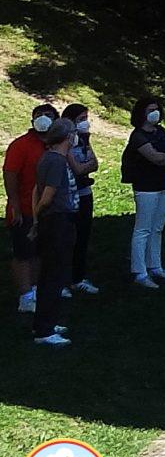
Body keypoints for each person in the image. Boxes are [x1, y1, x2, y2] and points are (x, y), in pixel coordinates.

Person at [123, 96, 165, 288]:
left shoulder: (161, 131)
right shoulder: (138, 136)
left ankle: (155, 266)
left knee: (157, 228)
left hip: (164, 184)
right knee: (143, 229)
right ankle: (140, 271)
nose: (154, 113)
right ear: (142, 114)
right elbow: (155, 157)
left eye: (156, 109)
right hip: (146, 187)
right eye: (150, 110)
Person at [29, 116, 76, 345]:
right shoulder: (57, 161)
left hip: (49, 221)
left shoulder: (46, 157)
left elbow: (36, 191)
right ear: (68, 137)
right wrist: (38, 216)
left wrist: (37, 218)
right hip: (57, 221)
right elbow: (47, 195)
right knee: (53, 276)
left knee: (49, 275)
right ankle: (45, 331)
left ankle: (44, 322)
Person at [5, 102, 55, 316]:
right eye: (39, 115)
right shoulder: (21, 145)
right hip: (24, 209)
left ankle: (35, 289)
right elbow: (10, 176)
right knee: (23, 253)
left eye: (48, 115)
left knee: (40, 252)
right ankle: (25, 296)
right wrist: (15, 205)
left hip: (48, 210)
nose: (43, 118)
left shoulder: (56, 144)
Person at [58, 103, 99, 297]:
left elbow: (94, 164)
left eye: (86, 118)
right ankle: (61, 281)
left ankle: (78, 278)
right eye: (81, 119)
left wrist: (86, 166)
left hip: (85, 193)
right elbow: (78, 168)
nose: (85, 122)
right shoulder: (63, 141)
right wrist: (85, 166)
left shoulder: (84, 139)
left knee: (83, 236)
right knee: (66, 239)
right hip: (68, 195)